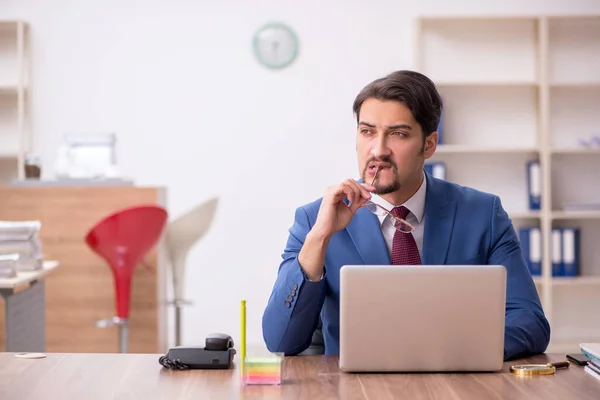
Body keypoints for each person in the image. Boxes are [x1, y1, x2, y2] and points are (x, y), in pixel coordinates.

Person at [262, 70, 551, 360]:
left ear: (429, 144)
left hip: (455, 384)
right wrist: (320, 237)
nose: (378, 150)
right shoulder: (315, 219)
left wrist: (446, 352)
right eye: (367, 132)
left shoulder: (483, 214)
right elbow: (281, 340)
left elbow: (530, 322)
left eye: (398, 134)